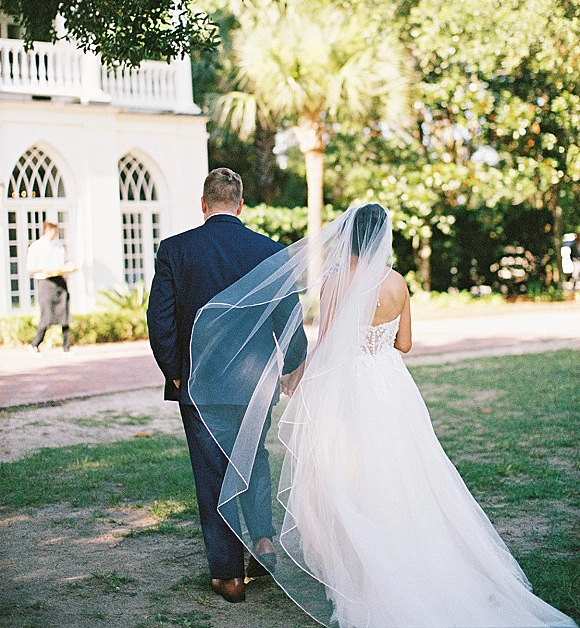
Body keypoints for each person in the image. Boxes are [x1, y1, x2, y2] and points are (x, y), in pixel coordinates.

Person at [191, 203, 577, 627]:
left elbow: (327, 344)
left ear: (349, 237)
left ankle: (359, 573)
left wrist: (299, 373)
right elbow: (405, 344)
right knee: (400, 474)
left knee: (345, 479)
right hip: (389, 388)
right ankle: (408, 559)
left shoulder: (335, 283)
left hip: (348, 389)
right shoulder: (397, 284)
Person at [147, 167, 307, 605]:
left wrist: (175, 371)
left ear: (204, 205)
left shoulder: (176, 250)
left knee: (211, 472)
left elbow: (159, 319)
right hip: (255, 382)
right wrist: (293, 364)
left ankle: (228, 574)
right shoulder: (269, 250)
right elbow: (286, 317)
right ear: (240, 205)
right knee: (253, 459)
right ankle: (263, 542)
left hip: (200, 383)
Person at [27, 220, 75, 352]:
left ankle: (66, 347)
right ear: (47, 230)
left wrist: (69, 266)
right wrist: (44, 268)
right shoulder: (36, 246)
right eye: (54, 230)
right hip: (45, 281)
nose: (56, 233)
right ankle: (35, 344)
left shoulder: (59, 246)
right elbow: (30, 267)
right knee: (47, 315)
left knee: (65, 314)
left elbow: (65, 261)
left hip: (60, 280)